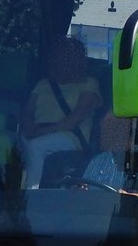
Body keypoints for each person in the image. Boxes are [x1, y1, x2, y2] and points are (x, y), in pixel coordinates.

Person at [21, 37, 101, 188]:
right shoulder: (42, 84)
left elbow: (77, 116)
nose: (60, 62)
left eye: (66, 58)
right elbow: (27, 113)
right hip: (36, 132)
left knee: (35, 146)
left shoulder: (89, 84)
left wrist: (43, 131)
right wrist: (28, 128)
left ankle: (30, 197)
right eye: (57, 58)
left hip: (69, 136)